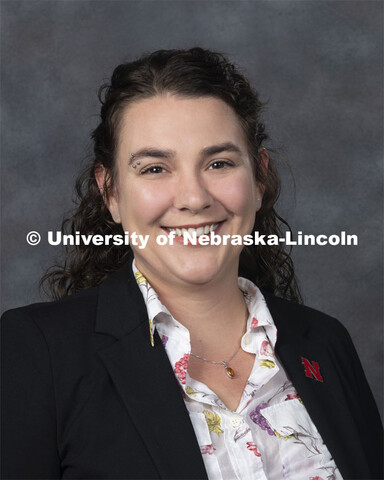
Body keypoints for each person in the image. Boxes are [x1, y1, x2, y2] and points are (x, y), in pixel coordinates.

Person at [1, 48, 382, 480]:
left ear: (258, 179)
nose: (194, 197)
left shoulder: (325, 343)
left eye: (218, 163)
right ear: (110, 193)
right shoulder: (36, 353)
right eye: (155, 168)